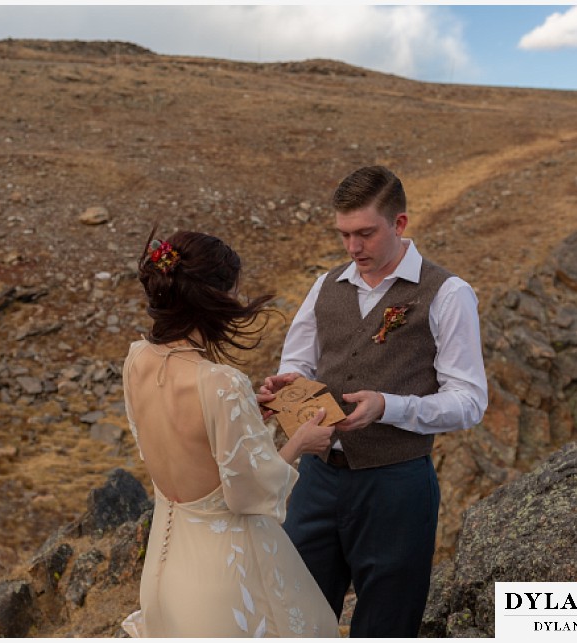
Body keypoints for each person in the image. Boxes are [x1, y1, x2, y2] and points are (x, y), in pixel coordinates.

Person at [260, 165, 488, 637]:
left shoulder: (448, 293)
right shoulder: (325, 286)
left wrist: (390, 405)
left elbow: (469, 401)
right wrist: (284, 390)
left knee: (387, 624)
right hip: (316, 481)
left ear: (399, 224)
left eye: (365, 233)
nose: (353, 248)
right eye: (344, 234)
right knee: (293, 617)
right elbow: (298, 365)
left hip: (397, 487)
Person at [120, 227, 344, 638]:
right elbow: (247, 493)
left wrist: (247, 420)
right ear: (214, 298)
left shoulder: (136, 361)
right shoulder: (220, 382)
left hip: (162, 569)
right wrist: (299, 442)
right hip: (225, 578)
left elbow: (183, 445)